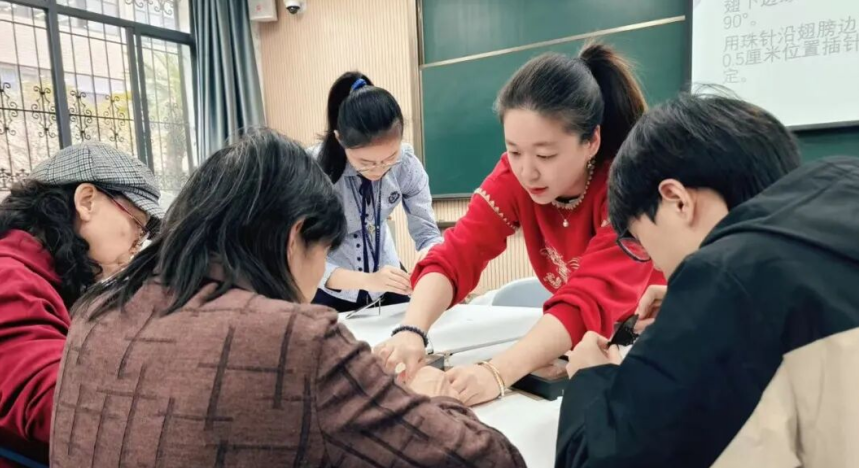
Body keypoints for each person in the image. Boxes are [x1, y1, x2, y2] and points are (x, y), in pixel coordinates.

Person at [51, 130, 525, 468]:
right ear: (295, 236)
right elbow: (490, 459)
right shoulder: (293, 340)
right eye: (324, 253)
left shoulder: (95, 310)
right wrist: (426, 396)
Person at [557, 93, 859, 468]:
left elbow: (602, 460)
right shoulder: (854, 188)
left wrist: (591, 378)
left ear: (676, 200)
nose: (655, 263)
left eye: (643, 242)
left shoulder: (725, 281)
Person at [374, 43, 661, 405]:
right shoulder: (515, 177)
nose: (527, 171)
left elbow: (586, 300)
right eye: (513, 151)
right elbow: (457, 254)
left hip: (652, 340)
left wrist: (496, 373)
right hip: (586, 345)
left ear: (591, 142)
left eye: (545, 155)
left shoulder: (625, 187)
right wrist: (411, 330)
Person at [0, 143, 162, 468]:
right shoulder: (10, 277)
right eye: (138, 224)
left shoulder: (42, 276)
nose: (137, 246)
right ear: (87, 200)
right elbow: (57, 403)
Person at [311, 72, 443, 312]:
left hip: (387, 279)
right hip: (331, 286)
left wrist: (429, 255)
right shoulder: (314, 170)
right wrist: (368, 280)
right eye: (365, 162)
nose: (379, 169)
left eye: (390, 157)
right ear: (340, 139)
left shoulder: (406, 163)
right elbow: (304, 257)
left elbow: (428, 233)